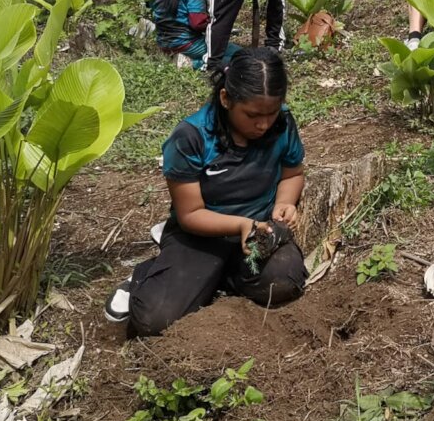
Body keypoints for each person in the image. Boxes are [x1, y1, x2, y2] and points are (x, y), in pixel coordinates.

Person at [105, 47, 308, 336]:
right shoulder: (191, 137)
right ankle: (146, 276)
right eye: (252, 115)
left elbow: (293, 173)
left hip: (257, 233)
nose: (263, 124)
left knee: (286, 281)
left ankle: (213, 276)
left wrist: (284, 203)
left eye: (271, 114)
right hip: (200, 235)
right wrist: (240, 225)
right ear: (226, 99)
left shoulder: (283, 124)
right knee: (154, 320)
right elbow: (190, 214)